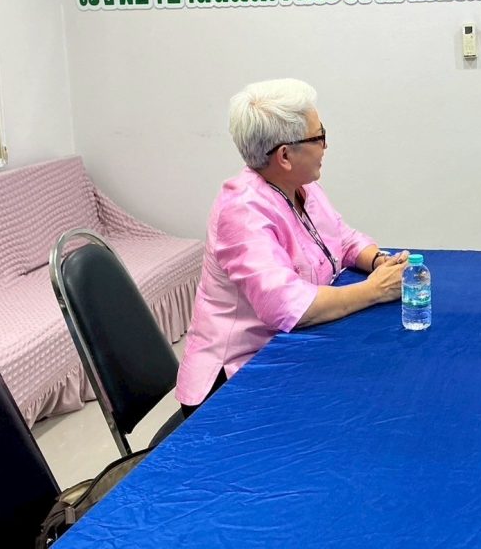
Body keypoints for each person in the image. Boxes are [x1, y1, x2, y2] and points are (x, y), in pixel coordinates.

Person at [175, 79, 408, 415]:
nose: (325, 146)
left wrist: (378, 262)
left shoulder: (300, 186)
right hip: (235, 380)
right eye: (319, 136)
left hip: (288, 349)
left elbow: (342, 239)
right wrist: (374, 290)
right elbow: (286, 306)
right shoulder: (241, 210)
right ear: (285, 155)